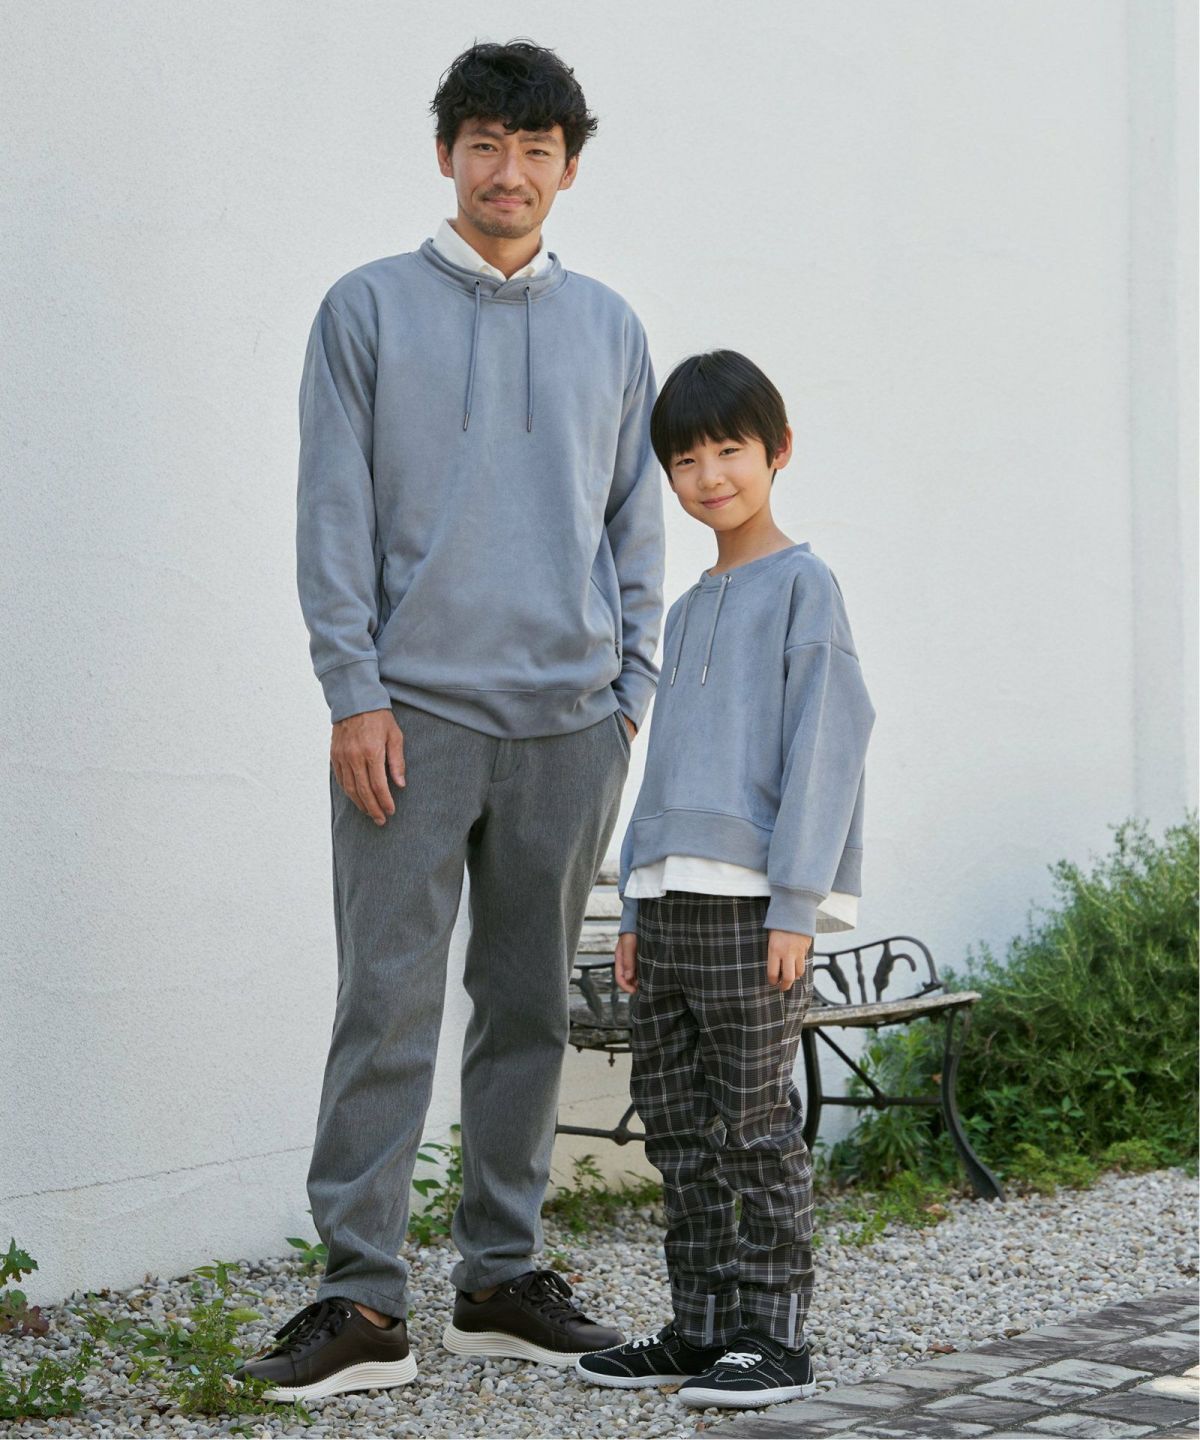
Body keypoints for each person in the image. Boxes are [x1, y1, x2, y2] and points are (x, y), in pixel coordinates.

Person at [237, 40, 664, 1403]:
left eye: (536, 150)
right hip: (409, 721)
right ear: (446, 155)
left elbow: (632, 524)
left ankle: (500, 1279)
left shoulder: (612, 328)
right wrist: (352, 693)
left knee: (530, 1006)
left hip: (568, 729)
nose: (509, 171)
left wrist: (629, 698)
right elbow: (331, 517)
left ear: (569, 169)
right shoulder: (365, 309)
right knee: (386, 1003)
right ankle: (363, 1298)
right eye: (485, 144)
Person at [575, 350, 875, 1409]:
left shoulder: (804, 588)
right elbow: (664, 765)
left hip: (754, 909)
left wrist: (797, 903)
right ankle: (700, 1326)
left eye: (729, 451)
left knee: (754, 1126)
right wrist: (635, 900)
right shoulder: (690, 605)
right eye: (686, 459)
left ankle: (776, 1338)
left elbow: (828, 744)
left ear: (778, 451)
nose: (709, 476)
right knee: (675, 1123)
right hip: (668, 906)